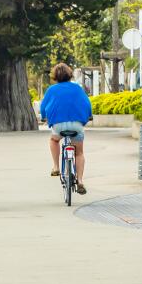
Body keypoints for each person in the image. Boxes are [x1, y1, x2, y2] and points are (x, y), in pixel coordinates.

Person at [39, 62, 92, 195]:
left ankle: (56, 166)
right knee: (79, 153)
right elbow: (87, 103)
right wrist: (89, 116)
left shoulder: (51, 90)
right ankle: (80, 181)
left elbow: (43, 106)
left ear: (55, 76)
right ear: (69, 74)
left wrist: (44, 117)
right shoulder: (77, 88)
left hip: (58, 125)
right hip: (76, 125)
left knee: (54, 140)